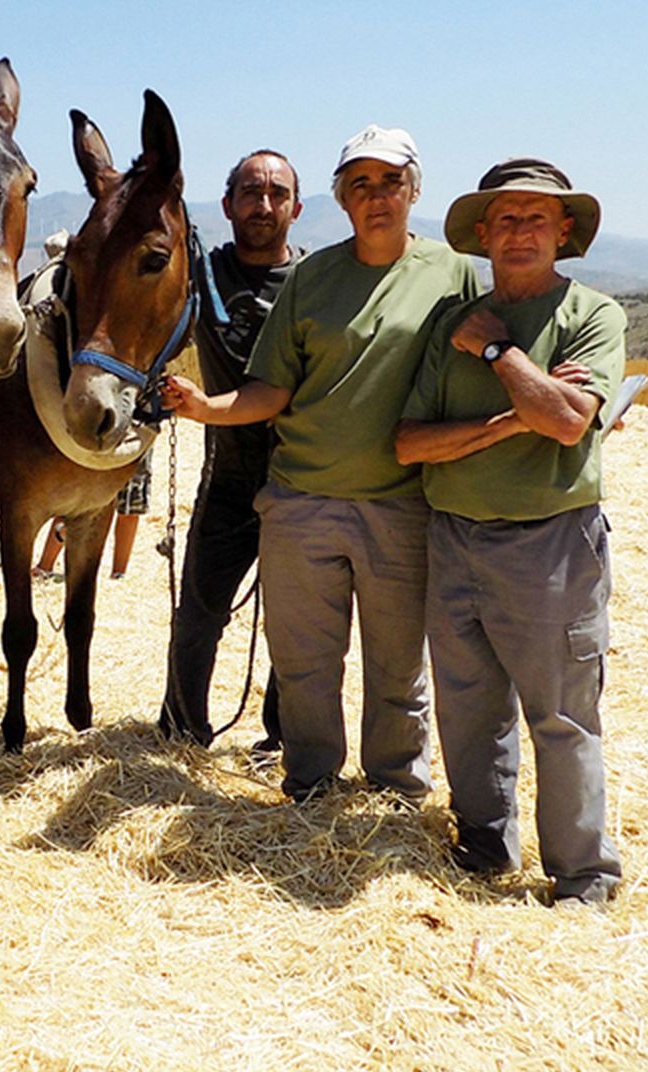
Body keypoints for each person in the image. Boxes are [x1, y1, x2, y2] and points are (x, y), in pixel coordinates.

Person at [161, 125, 478, 802]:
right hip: (297, 496)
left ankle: (396, 789)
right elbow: (272, 387)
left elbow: (478, 359)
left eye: (390, 181)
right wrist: (203, 408)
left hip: (401, 501)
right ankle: (306, 782)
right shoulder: (311, 277)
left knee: (396, 668)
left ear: (413, 189)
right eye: (360, 184)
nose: (376, 197)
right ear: (343, 200)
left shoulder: (453, 274)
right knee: (301, 661)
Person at [395, 159, 625, 906]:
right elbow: (409, 445)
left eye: (537, 218)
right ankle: (484, 848)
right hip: (453, 534)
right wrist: (514, 416)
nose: (520, 231)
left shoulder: (591, 315)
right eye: (507, 219)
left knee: (560, 715)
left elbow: (564, 422)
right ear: (484, 234)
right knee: (467, 709)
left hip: (550, 541)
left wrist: (499, 351)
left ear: (563, 233)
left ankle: (582, 877)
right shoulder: (446, 325)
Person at [159, 149, 304, 750]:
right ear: (226, 206)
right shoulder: (201, 273)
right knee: (198, 616)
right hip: (226, 481)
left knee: (295, 627)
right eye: (250, 192)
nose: (262, 205)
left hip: (303, 482)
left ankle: (283, 736)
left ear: (296, 207)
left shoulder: (315, 283)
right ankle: (179, 728)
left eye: (276, 193)